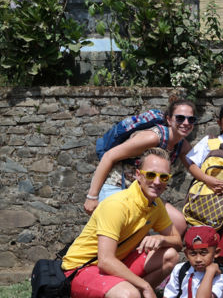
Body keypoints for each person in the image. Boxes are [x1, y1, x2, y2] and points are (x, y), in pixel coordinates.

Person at [45, 148, 183, 298]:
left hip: (112, 263)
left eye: (163, 176)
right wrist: (144, 286)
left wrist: (162, 239)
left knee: (170, 255)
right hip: (79, 270)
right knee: (130, 296)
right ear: (138, 175)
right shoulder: (118, 205)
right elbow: (105, 261)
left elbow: (177, 242)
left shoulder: (155, 204)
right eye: (151, 174)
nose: (157, 181)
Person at [83, 97, 196, 236]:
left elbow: (197, 168)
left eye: (191, 119)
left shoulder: (181, 145)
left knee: (178, 224)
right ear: (169, 119)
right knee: (131, 233)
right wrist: (92, 196)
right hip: (118, 187)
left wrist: (219, 182)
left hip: (143, 193)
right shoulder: (152, 138)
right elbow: (109, 156)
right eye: (180, 118)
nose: (186, 123)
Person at [185, 102, 223, 261]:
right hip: (203, 203)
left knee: (221, 249)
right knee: (201, 245)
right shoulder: (208, 141)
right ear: (219, 123)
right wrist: (209, 180)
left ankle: (220, 282)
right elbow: (192, 165)